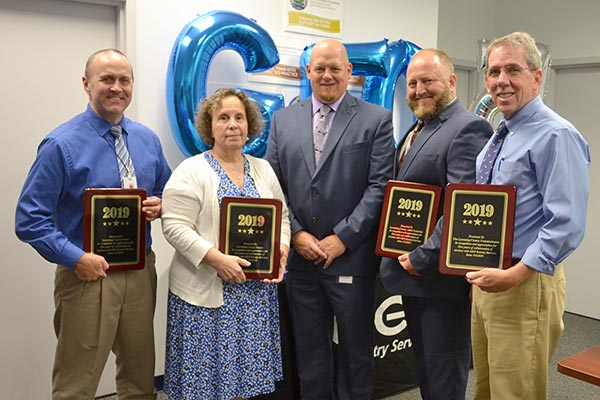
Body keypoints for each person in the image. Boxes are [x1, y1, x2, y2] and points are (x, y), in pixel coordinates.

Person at [15, 49, 172, 399]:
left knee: (140, 376)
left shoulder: (147, 140)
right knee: (77, 383)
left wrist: (159, 204)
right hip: (88, 276)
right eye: (107, 79)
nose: (117, 88)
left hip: (140, 271)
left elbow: (165, 187)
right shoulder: (61, 144)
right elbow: (30, 219)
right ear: (87, 84)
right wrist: (75, 258)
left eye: (124, 80)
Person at [266, 38, 395, 399]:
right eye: (319, 68)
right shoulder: (282, 120)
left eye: (335, 68)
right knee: (310, 355)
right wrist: (297, 234)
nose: (327, 75)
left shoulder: (376, 120)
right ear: (308, 71)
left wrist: (343, 237)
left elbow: (379, 187)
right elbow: (273, 188)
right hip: (302, 262)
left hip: (351, 257)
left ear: (349, 72)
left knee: (356, 355)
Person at [465, 32, 590, 399]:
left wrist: (514, 275)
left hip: (524, 280)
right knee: (487, 387)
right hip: (491, 278)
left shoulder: (556, 135)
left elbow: (565, 224)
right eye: (494, 71)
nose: (501, 80)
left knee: (515, 391)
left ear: (537, 77)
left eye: (513, 70)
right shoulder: (500, 134)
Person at [160, 88, 291, 400]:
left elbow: (282, 218)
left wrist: (281, 251)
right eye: (223, 118)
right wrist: (215, 259)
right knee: (206, 385)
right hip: (206, 294)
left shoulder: (263, 169)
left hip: (253, 295)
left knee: (243, 382)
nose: (232, 124)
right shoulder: (191, 170)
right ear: (210, 126)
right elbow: (174, 225)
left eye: (239, 118)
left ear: (250, 125)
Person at [379, 48, 493, 400]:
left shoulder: (468, 128)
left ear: (451, 81)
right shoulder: (418, 127)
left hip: (438, 280)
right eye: (412, 83)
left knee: (444, 374)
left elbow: (463, 209)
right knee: (428, 370)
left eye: (428, 80)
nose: (418, 90)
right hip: (415, 279)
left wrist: (422, 257)